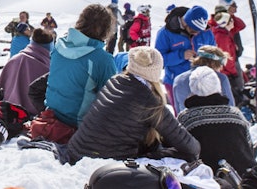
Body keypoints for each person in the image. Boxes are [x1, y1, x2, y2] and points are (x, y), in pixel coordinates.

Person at [62, 46, 200, 166]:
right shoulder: (149, 100)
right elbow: (191, 148)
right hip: (108, 162)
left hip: (76, 152)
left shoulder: (115, 81)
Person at [36, 3, 118, 140]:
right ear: (106, 29)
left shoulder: (59, 45)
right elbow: (111, 102)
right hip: (78, 127)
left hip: (50, 117)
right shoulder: (102, 59)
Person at [178, 65, 257, 177]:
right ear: (218, 86)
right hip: (243, 180)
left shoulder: (185, 119)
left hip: (206, 182)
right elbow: (249, 150)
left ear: (192, 88)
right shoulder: (236, 115)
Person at [157, 5, 216, 105]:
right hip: (176, 81)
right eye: (194, 30)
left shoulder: (206, 32)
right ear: (185, 23)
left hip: (202, 81)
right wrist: (181, 55)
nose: (197, 34)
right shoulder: (165, 33)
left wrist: (208, 57)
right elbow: (159, 60)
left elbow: (214, 52)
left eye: (199, 31)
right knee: (183, 115)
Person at [0, 27, 53, 115]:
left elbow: (1, 86)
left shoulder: (13, 60)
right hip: (34, 117)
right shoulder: (48, 68)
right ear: (50, 45)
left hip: (7, 112)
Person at [170, 44, 233, 113]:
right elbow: (231, 107)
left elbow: (178, 109)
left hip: (188, 121)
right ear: (214, 63)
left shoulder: (179, 80)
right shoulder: (221, 78)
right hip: (218, 121)